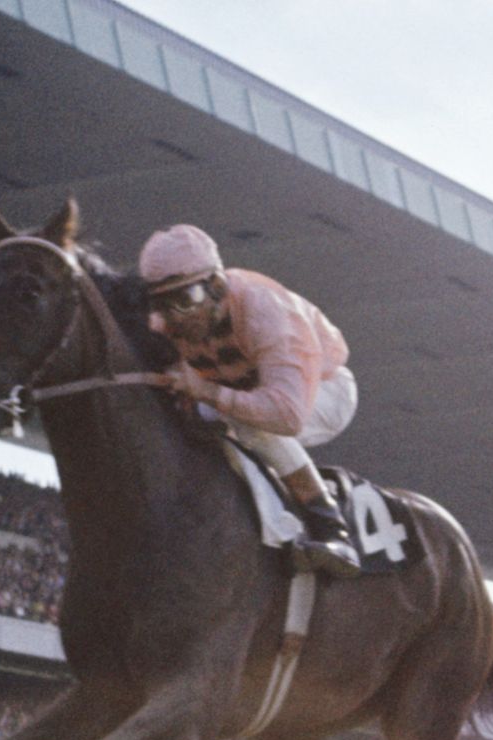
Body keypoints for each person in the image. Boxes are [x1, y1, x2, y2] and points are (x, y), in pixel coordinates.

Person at [138, 224, 362, 578]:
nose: (176, 319)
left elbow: (287, 416)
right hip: (245, 389)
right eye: (163, 305)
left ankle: (333, 531)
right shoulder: (166, 323)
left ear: (216, 286)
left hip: (322, 391)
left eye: (186, 300)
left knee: (249, 422)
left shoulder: (265, 310)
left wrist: (208, 392)